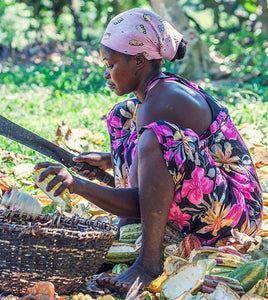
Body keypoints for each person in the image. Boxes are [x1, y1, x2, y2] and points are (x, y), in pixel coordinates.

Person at [34, 7, 263, 292]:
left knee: (156, 138)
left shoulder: (162, 101)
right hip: (216, 194)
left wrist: (78, 185)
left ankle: (148, 262)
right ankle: (128, 236)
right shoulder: (153, 95)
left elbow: (143, 200)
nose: (107, 74)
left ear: (140, 61)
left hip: (235, 216)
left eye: (111, 64)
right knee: (122, 115)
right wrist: (108, 161)